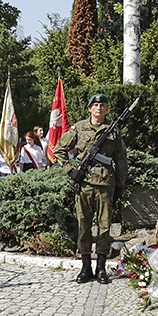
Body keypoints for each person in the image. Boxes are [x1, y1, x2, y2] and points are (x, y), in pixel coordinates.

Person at [53, 93, 127, 285]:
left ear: (107, 109)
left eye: (103, 105)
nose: (99, 108)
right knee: (84, 226)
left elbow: (121, 159)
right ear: (89, 109)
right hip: (84, 185)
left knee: (104, 227)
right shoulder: (79, 128)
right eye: (95, 105)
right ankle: (85, 267)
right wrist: (71, 171)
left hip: (105, 186)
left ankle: (101, 268)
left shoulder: (113, 131)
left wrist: (120, 184)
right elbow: (58, 150)